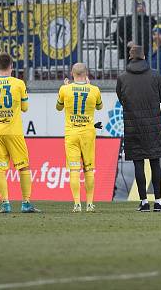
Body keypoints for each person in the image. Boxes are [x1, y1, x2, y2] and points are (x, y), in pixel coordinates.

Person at [116, 45, 161, 212]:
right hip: (153, 126)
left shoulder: (122, 78)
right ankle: (158, 202)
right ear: (144, 57)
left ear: (131, 58)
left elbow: (121, 98)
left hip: (133, 127)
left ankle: (144, 202)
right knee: (155, 163)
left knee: (139, 164)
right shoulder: (155, 75)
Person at [0, 52, 40, 214]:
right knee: (24, 166)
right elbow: (25, 108)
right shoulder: (19, 84)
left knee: (0, 169)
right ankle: (25, 203)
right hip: (13, 132)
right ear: (12, 66)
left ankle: (5, 204)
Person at [57, 63, 103, 213]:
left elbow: (58, 107)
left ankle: (77, 204)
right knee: (89, 169)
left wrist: (65, 87)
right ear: (87, 73)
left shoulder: (65, 89)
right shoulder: (94, 90)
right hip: (88, 133)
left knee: (74, 170)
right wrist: (89, 86)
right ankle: (89, 204)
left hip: (71, 134)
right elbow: (99, 107)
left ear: (72, 73)